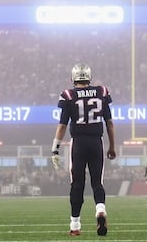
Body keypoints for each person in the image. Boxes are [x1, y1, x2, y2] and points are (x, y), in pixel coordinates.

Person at [51, 63, 117, 237]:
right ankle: (100, 210)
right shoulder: (101, 92)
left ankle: (75, 225)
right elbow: (109, 123)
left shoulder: (69, 95)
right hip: (97, 142)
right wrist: (112, 146)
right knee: (97, 182)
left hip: (78, 144)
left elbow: (62, 125)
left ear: (72, 78)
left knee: (77, 184)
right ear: (89, 77)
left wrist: (55, 149)